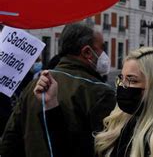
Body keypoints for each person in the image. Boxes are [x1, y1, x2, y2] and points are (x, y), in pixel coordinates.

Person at [34, 47, 153, 157]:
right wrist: (50, 104)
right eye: (122, 79)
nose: (123, 86)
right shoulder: (116, 126)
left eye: (132, 80)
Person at [0, 23, 116, 157]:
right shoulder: (100, 92)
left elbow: (10, 139)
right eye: (102, 47)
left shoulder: (33, 86)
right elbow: (107, 148)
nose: (104, 53)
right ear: (87, 52)